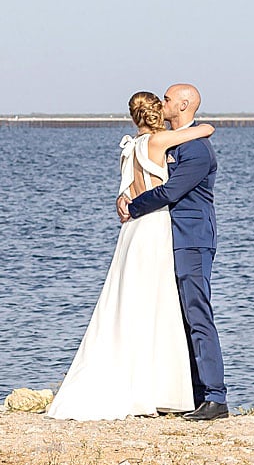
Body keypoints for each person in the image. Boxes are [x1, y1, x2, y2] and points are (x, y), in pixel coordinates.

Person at [46, 91, 214, 421]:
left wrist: (126, 204)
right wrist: (203, 126)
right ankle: (162, 389)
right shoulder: (160, 142)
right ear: (155, 113)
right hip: (153, 225)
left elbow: (124, 192)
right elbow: (204, 130)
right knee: (157, 305)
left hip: (131, 232)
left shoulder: (130, 148)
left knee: (126, 301)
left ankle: (132, 379)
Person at [119, 83, 229, 420]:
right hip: (169, 237)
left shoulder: (196, 150)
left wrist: (133, 206)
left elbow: (171, 191)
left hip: (192, 238)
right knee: (176, 315)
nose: (161, 103)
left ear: (183, 105)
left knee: (197, 313)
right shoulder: (174, 141)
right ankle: (190, 393)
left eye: (167, 99)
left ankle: (214, 397)